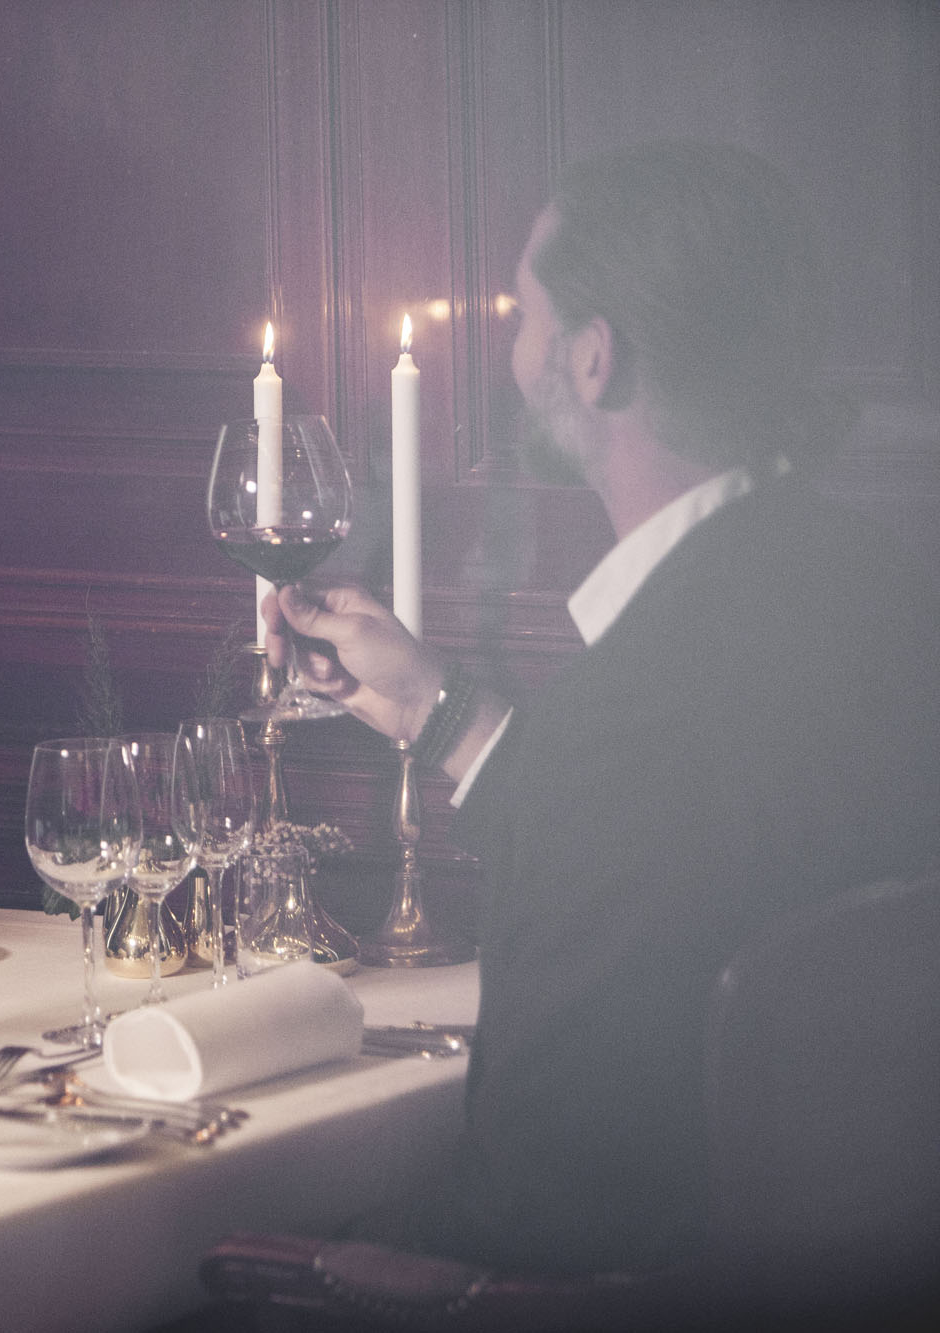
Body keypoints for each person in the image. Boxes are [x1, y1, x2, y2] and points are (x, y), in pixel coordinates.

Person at [268, 142, 940, 1282]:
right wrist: (439, 711)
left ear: (592, 359)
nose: (511, 346)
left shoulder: (633, 716)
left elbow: (544, 1201)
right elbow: (705, 843)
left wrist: (302, 1254)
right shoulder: (884, 593)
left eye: (523, 313)